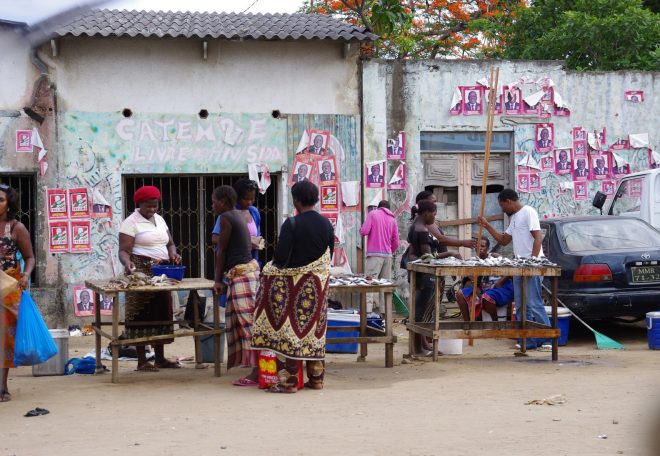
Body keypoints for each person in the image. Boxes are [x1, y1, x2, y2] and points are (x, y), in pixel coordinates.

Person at [251, 181, 334, 393]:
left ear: (296, 200)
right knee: (313, 333)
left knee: (287, 332)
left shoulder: (292, 224)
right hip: (316, 289)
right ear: (315, 199)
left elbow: (280, 257)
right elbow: (328, 256)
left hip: (292, 290)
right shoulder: (326, 224)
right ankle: (316, 379)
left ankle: (288, 382)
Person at [478, 189, 552, 351]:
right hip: (519, 266)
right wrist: (487, 225)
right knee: (520, 305)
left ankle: (548, 338)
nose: (502, 209)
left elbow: (538, 238)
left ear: (509, 201)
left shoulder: (528, 212)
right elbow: (504, 240)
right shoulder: (515, 218)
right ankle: (527, 340)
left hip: (531, 266)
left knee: (533, 303)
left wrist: (532, 262)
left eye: (502, 205)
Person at [118, 185, 182, 372]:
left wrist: (174, 254)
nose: (152, 210)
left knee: (162, 312)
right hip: (140, 273)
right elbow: (123, 250)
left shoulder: (160, 220)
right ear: (139, 204)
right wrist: (128, 263)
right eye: (148, 206)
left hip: (161, 272)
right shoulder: (131, 222)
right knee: (140, 314)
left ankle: (160, 358)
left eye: (155, 206)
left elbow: (170, 243)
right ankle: (141, 360)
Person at [212, 186, 260, 386]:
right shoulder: (237, 216)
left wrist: (217, 280)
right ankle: (252, 364)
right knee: (240, 321)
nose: (212, 205)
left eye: (214, 201)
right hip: (246, 273)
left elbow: (221, 250)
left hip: (242, 276)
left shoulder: (226, 217)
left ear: (223, 201)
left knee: (247, 323)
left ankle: (259, 370)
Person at [0, 184, 35, 403]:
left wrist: (25, 275)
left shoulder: (16, 227)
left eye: (1, 200)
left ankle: (2, 386)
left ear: (8, 204)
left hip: (8, 289)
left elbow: (30, 257)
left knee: (4, 339)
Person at [407, 200, 439, 355]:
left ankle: (420, 346)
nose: (434, 217)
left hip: (418, 275)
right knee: (421, 312)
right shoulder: (422, 230)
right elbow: (428, 257)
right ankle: (418, 348)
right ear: (426, 213)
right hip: (425, 276)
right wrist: (449, 254)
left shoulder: (415, 226)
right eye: (434, 213)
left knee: (418, 311)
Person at [456, 238, 513, 322]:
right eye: (478, 246)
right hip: (484, 290)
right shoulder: (472, 262)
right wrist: (476, 287)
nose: (480, 248)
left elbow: (511, 269)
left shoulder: (494, 257)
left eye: (482, 246)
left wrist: (500, 282)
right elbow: (473, 282)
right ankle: (468, 324)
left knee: (486, 297)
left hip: (501, 288)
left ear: (488, 248)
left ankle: (495, 323)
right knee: (460, 294)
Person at [359, 200, 399, 313]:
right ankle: (385, 314)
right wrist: (390, 251)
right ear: (388, 208)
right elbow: (396, 242)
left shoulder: (373, 214)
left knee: (369, 284)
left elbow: (364, 231)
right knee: (385, 286)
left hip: (374, 256)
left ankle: (367, 313)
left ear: (379, 207)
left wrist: (361, 229)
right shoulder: (393, 219)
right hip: (388, 256)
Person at [212, 179, 262, 262]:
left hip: (251, 263)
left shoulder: (254, 212)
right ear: (237, 197)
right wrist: (245, 242)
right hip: (233, 264)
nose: (249, 202)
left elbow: (258, 237)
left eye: (252, 199)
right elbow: (215, 238)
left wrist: (258, 243)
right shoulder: (228, 214)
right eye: (246, 199)